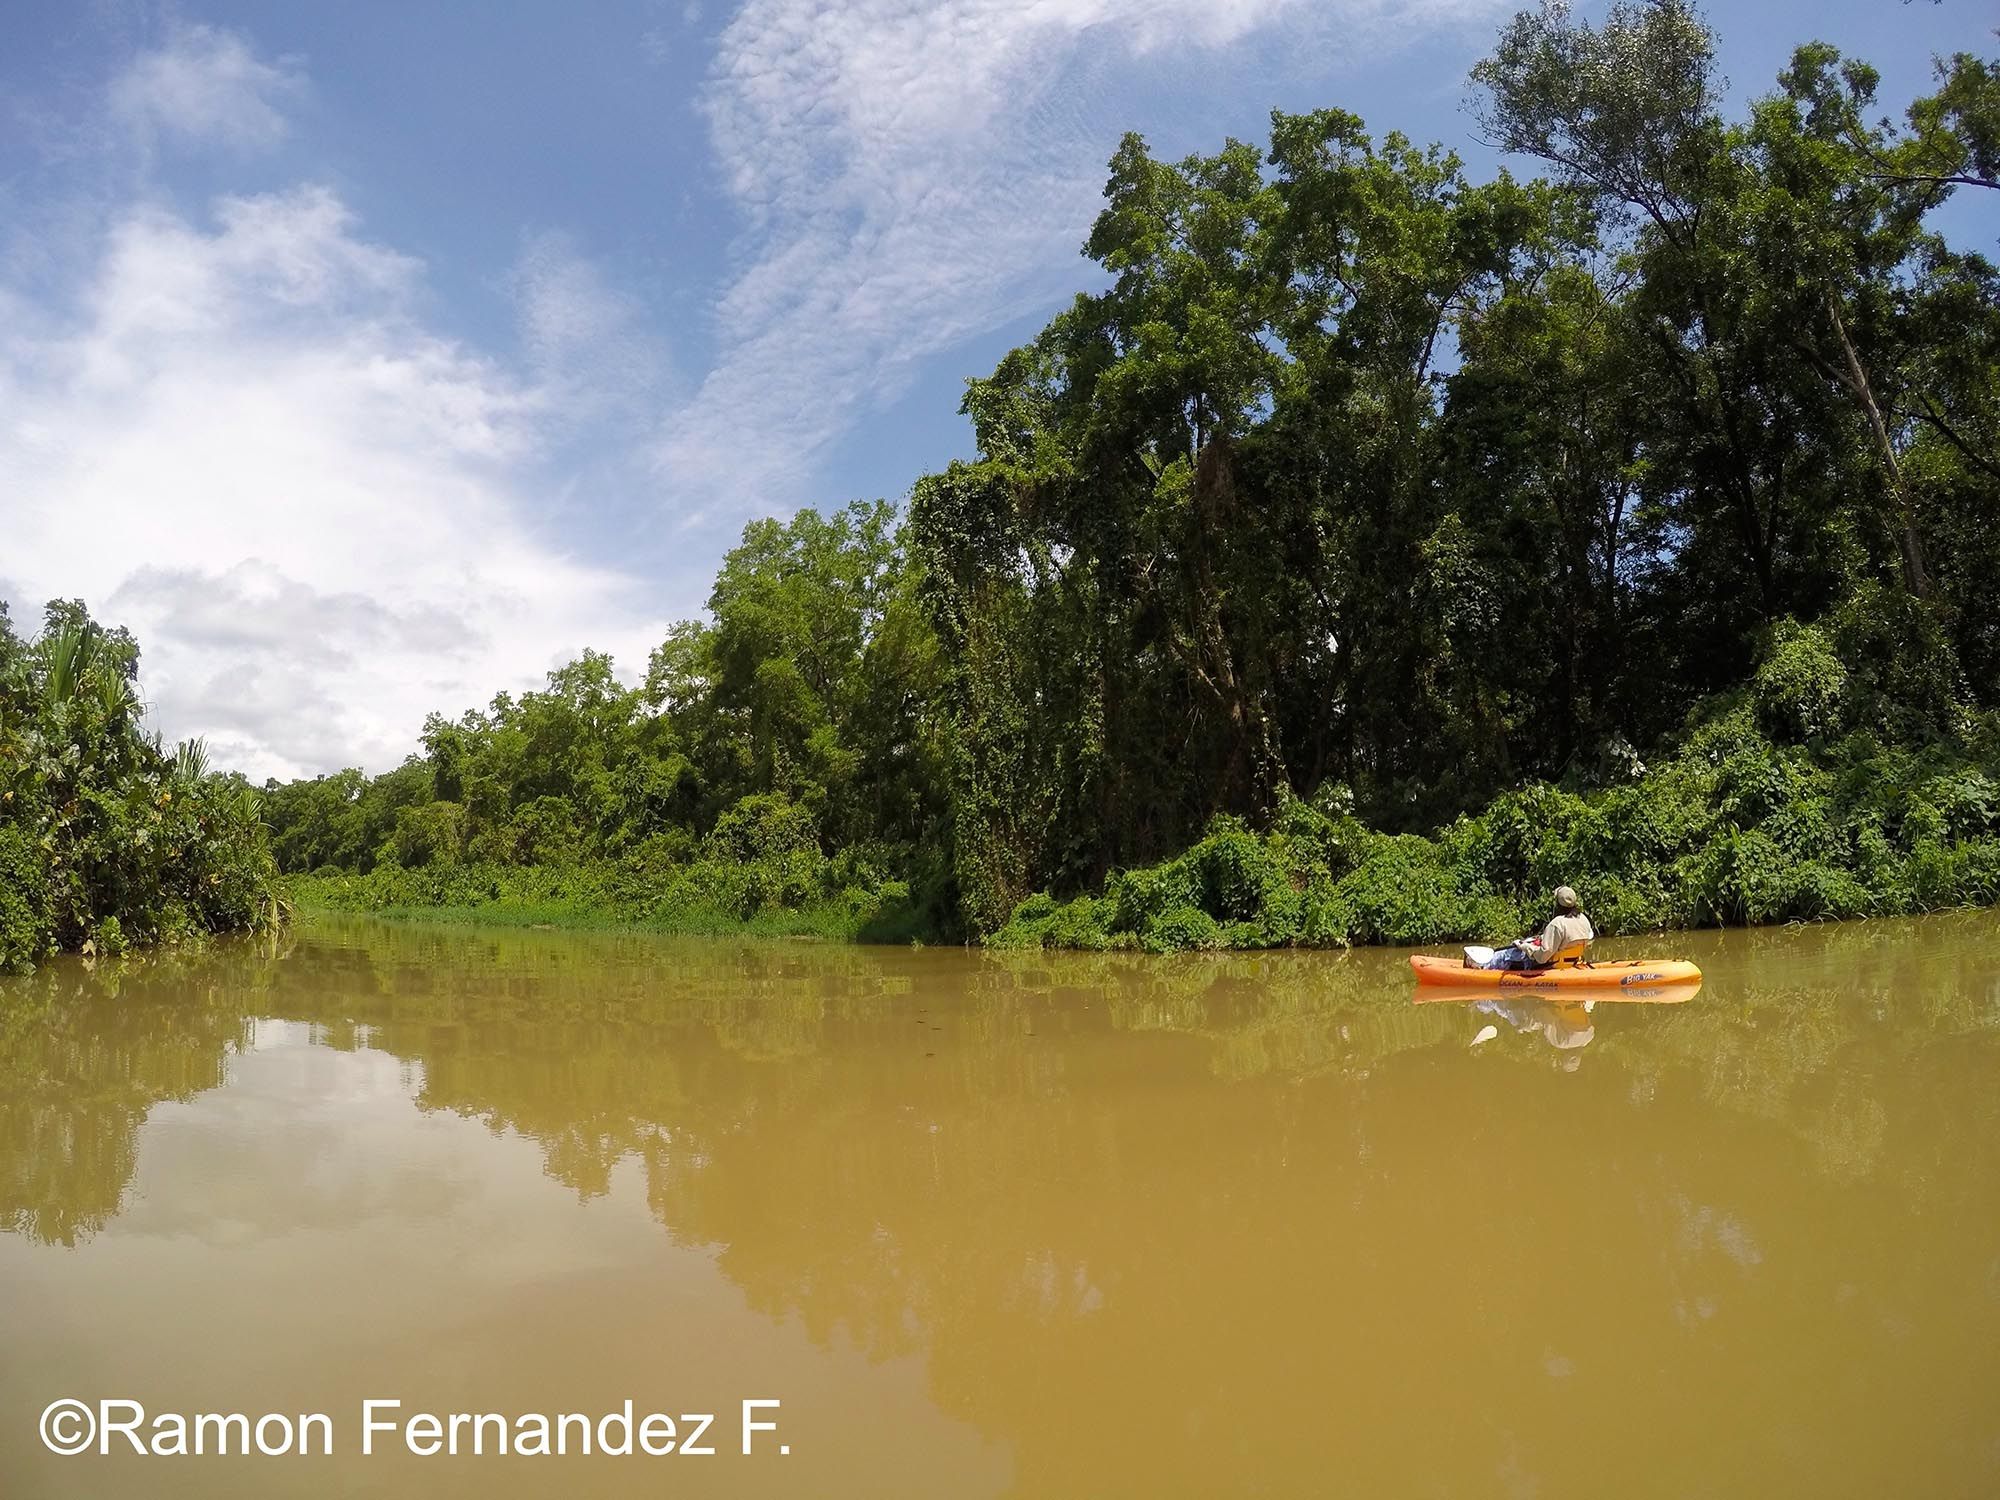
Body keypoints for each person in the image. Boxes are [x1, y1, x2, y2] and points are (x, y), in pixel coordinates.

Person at [1480, 885, 1595, 970]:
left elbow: (1542, 957)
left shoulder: (1557, 924)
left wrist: (1524, 946)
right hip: (1572, 962)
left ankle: (1480, 968)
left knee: (1503, 955)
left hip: (1551, 965)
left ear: (1558, 904)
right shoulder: (1584, 919)